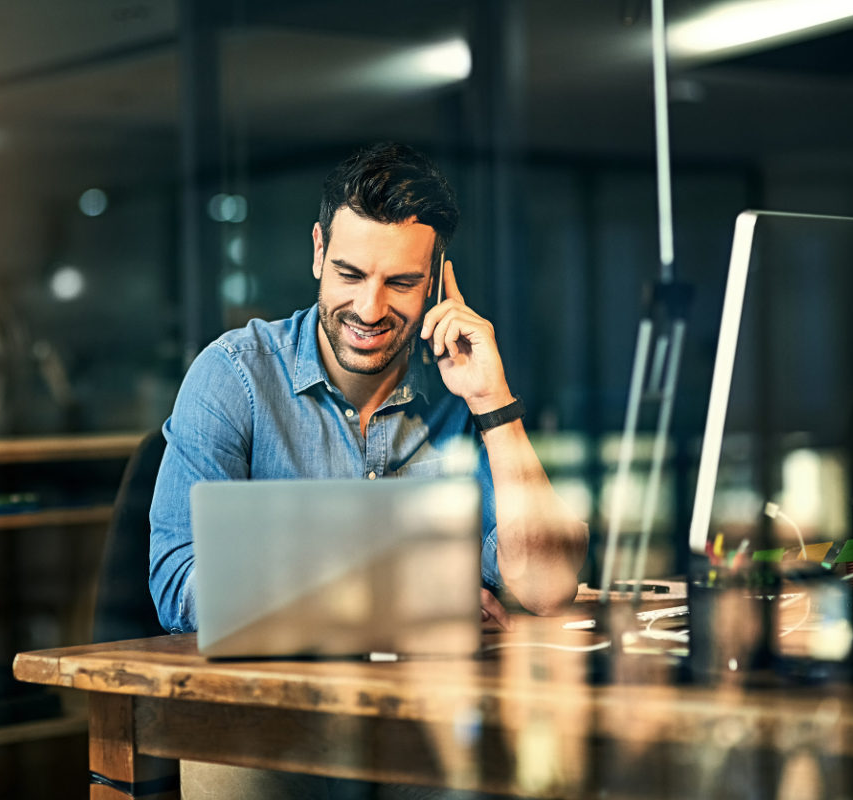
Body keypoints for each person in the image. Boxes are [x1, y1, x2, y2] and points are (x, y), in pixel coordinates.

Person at [149, 140, 587, 636]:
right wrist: (407, 597)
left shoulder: (462, 393)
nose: (370, 309)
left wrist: (492, 403)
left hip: (434, 701)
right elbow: (180, 589)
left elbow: (547, 589)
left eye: (400, 282)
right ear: (319, 251)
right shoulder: (235, 376)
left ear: (436, 282)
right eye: (349, 275)